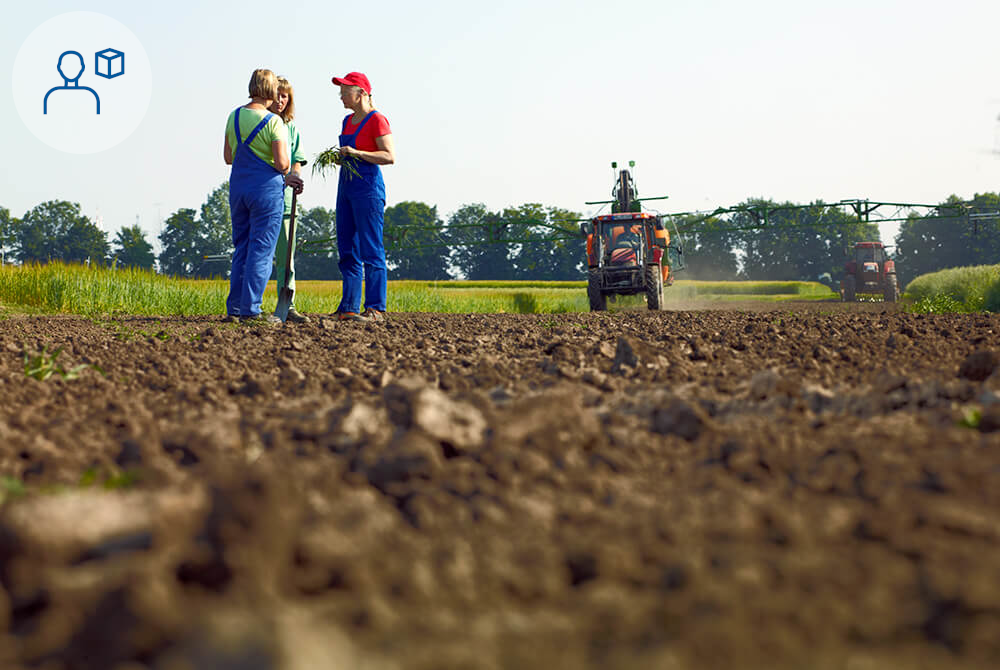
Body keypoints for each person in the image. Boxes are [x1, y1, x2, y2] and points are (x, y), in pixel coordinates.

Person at [223, 69, 290, 324]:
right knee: (261, 249)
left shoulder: (234, 116)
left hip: (239, 188)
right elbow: (283, 163)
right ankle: (252, 309)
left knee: (241, 247)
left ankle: (235, 308)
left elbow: (228, 158)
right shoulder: (274, 122)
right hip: (265, 191)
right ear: (271, 91)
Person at [331, 71, 395, 322]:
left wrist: (355, 153)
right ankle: (348, 307)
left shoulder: (377, 120)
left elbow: (389, 156)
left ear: (361, 94)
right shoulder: (347, 121)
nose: (341, 96)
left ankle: (376, 308)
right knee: (347, 247)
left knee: (371, 248)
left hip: (368, 189)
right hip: (346, 187)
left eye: (345, 91)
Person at [269, 76, 309, 323]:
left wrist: (295, 174)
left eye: (285, 96)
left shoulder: (291, 128)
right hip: (264, 196)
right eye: (277, 95)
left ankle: (288, 304)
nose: (281, 100)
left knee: (287, 257)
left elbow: (297, 158)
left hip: (285, 202)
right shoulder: (264, 123)